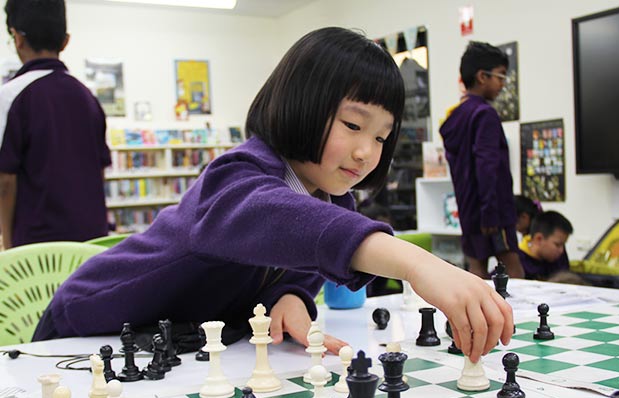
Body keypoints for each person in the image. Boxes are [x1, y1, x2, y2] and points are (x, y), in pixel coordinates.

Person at [32, 28, 513, 363]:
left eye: (383, 137)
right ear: (299, 104)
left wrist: (289, 294)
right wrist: (418, 263)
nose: (367, 152)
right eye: (352, 125)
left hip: (176, 345)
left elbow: (304, 256)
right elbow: (286, 223)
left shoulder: (330, 197)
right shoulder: (236, 177)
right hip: (84, 329)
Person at [0, 0, 110, 250]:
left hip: (37, 248)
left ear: (17, 38)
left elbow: (5, 181)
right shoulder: (88, 98)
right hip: (91, 243)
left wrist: (8, 246)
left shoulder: (11, 95)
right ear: (65, 41)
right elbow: (100, 171)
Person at [439, 41, 524, 280]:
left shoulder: (454, 117)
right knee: (514, 271)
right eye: (501, 76)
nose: (503, 84)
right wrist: (490, 212)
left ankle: (474, 318)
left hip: (469, 209)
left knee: (476, 271)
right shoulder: (484, 113)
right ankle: (525, 317)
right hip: (493, 209)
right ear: (482, 76)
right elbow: (487, 165)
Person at [518, 211, 573, 281]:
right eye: (557, 245)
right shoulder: (518, 261)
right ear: (539, 239)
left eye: (563, 245)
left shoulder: (559, 257)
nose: (561, 251)